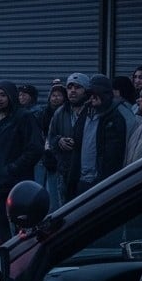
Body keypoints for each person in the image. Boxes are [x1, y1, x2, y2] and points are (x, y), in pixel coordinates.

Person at [0, 81, 43, 240]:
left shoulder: (24, 117)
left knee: (21, 229)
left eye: (3, 95)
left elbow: (35, 148)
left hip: (17, 185)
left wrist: (13, 168)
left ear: (11, 96)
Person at [66, 75, 127, 201]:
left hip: (100, 183)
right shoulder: (85, 113)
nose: (92, 97)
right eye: (90, 93)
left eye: (96, 93)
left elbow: (113, 156)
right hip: (81, 180)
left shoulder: (114, 118)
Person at [46, 74, 91, 210]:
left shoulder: (92, 112)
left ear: (86, 90)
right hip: (65, 173)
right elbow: (51, 138)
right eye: (70, 87)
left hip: (86, 175)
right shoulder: (60, 113)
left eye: (77, 87)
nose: (72, 91)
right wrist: (59, 141)